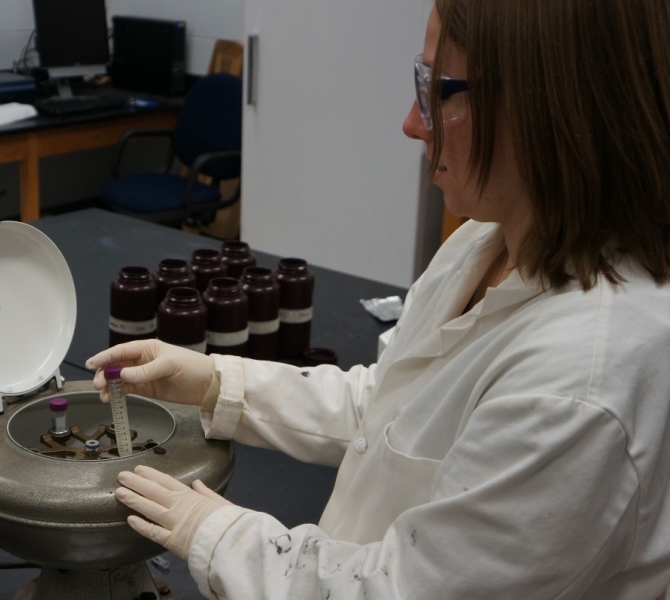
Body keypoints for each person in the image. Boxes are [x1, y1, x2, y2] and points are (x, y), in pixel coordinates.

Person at [86, 0, 670, 597]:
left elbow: (406, 589)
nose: (413, 124)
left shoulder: (582, 380)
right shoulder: (485, 241)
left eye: (435, 88)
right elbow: (389, 410)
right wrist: (215, 381)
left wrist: (214, 533)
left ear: (549, 106)